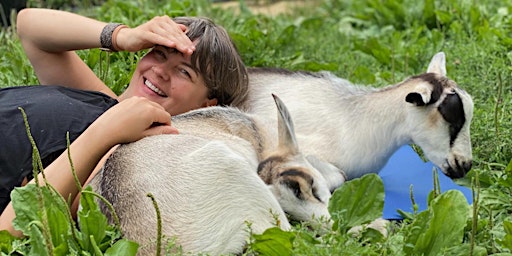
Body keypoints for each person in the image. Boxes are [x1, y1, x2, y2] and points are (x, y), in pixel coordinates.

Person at [0, 8, 248, 237]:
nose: (161, 71)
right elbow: (29, 27)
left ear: (207, 106)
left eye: (184, 71)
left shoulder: (121, 161)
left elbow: (11, 229)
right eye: (159, 53)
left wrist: (106, 133)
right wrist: (122, 36)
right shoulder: (104, 101)